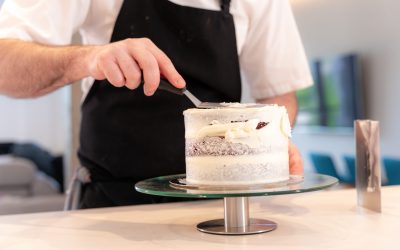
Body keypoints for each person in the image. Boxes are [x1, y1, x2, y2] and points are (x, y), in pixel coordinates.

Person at [0, 0, 313, 208]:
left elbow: (279, 94)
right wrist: (90, 57)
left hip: (223, 209)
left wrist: (272, 141)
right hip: (111, 207)